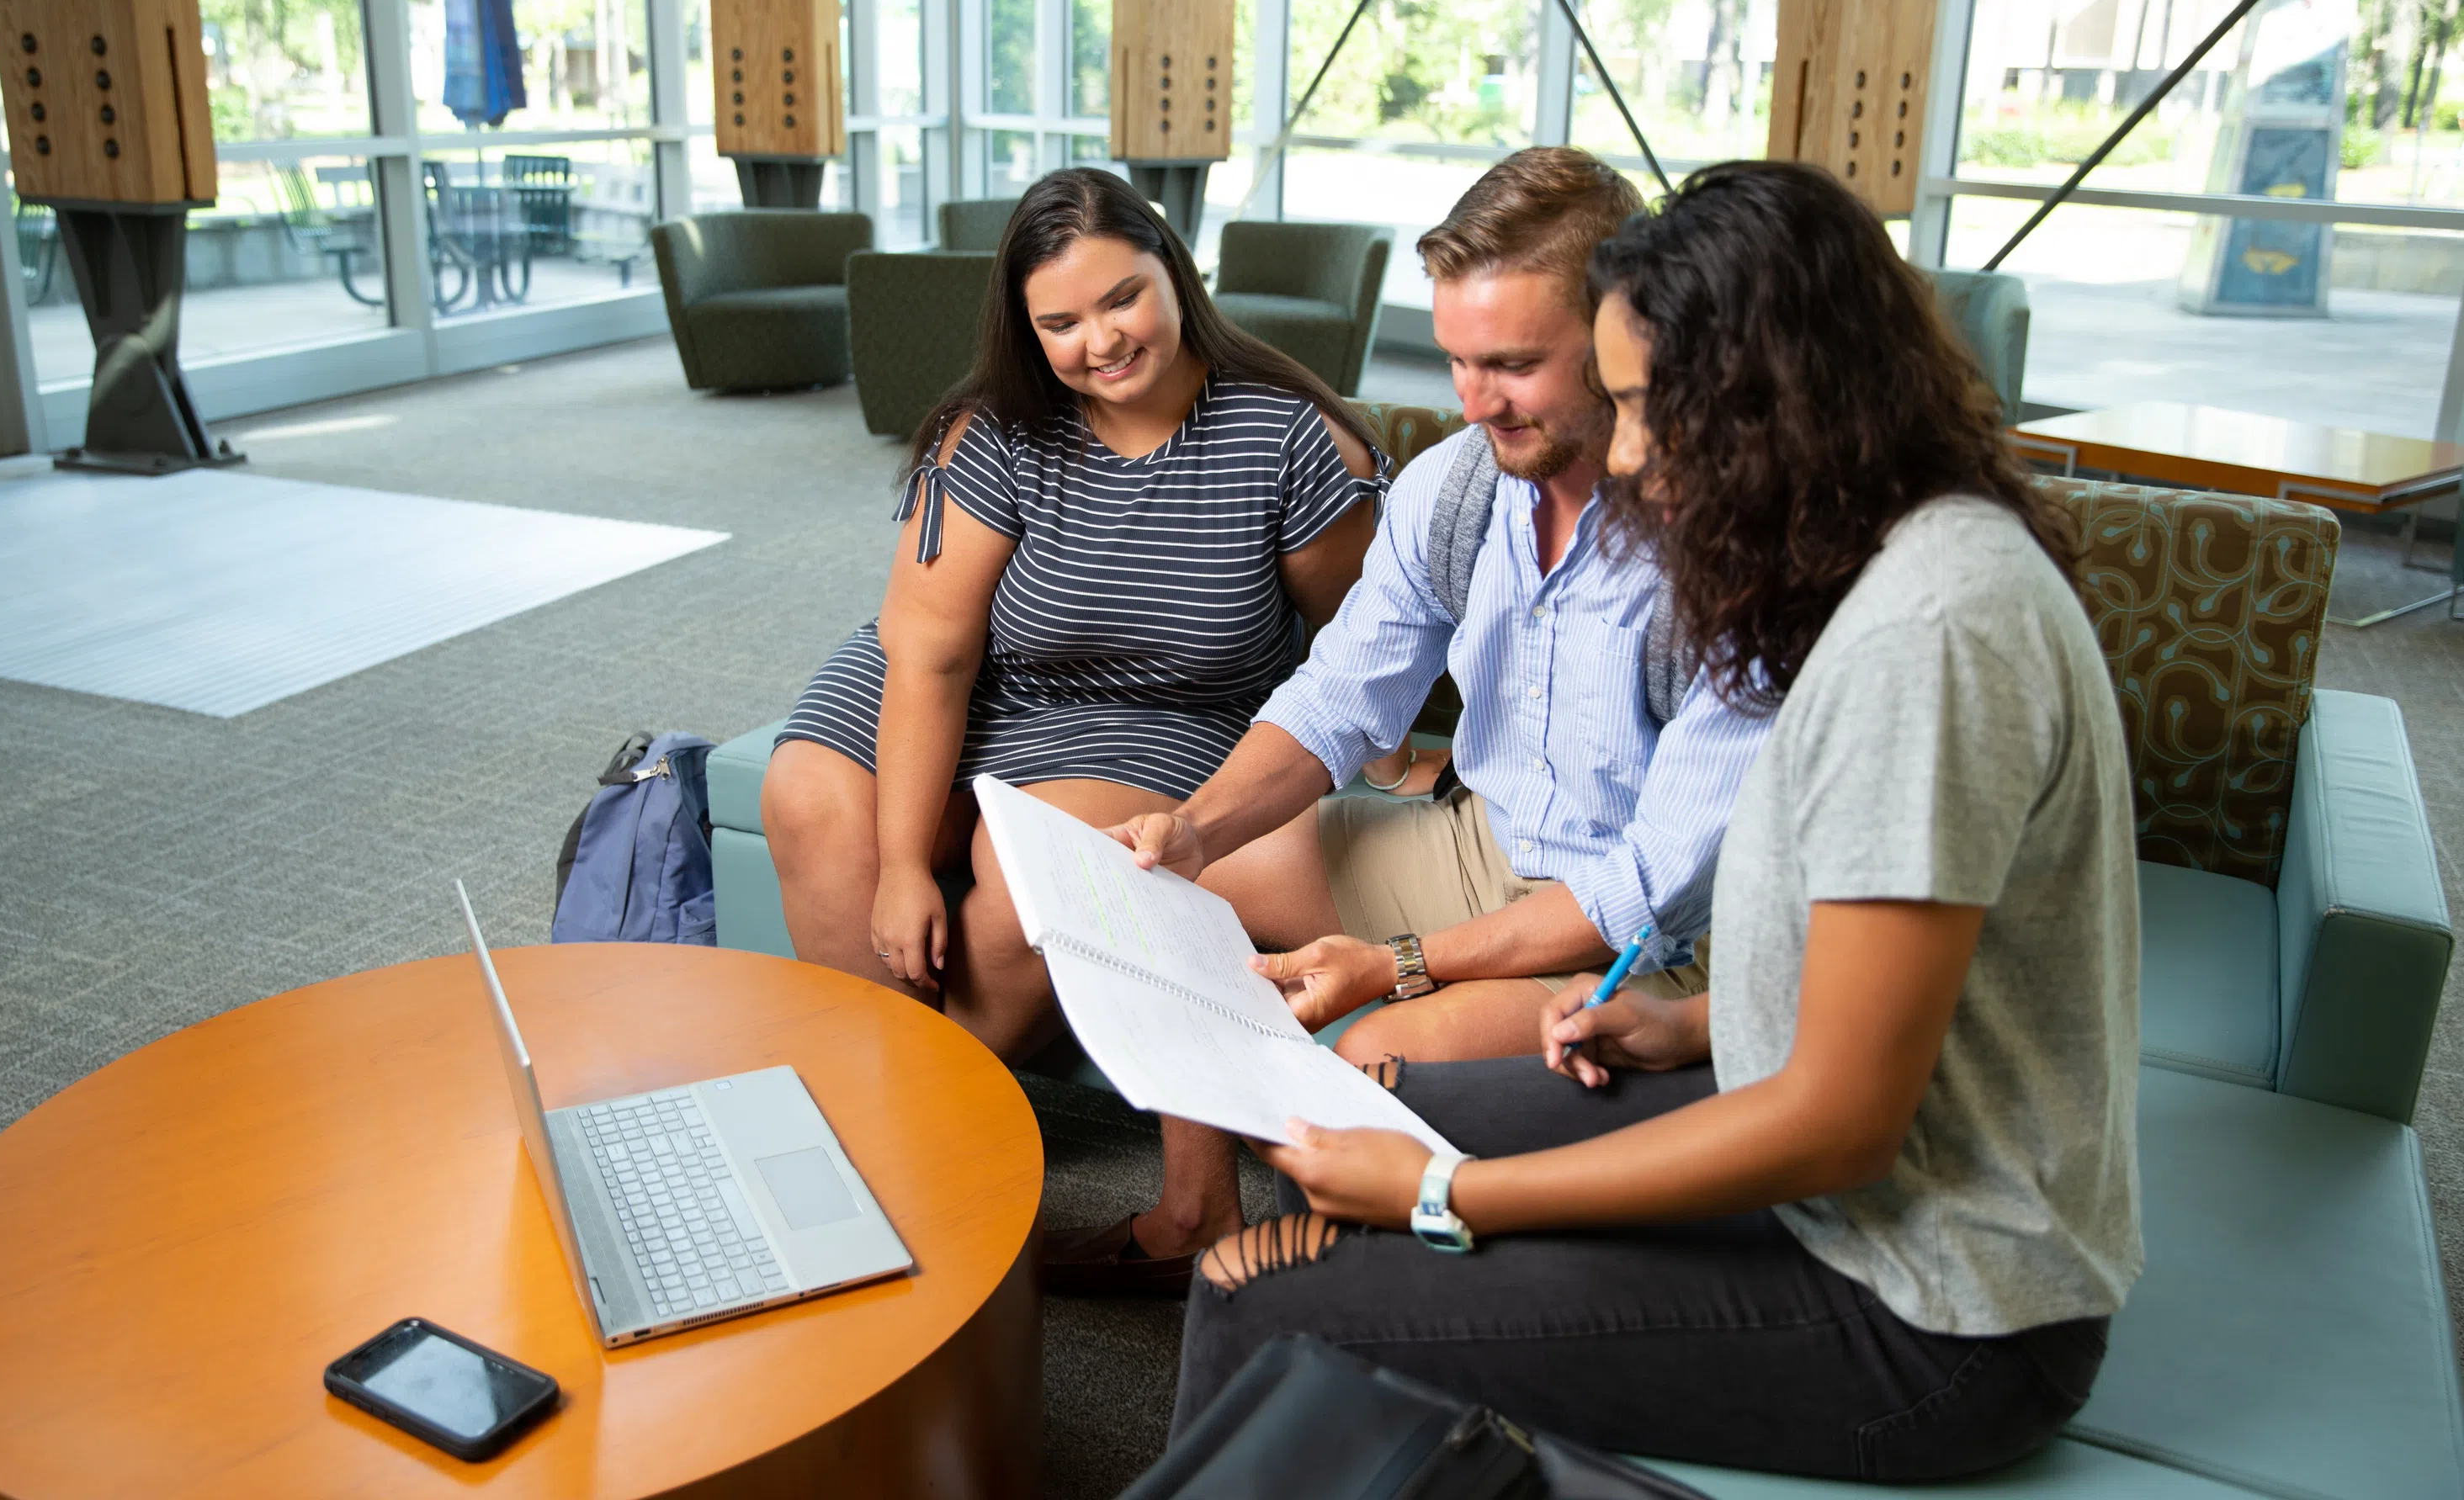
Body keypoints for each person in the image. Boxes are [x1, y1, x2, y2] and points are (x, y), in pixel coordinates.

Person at [1165, 160, 2143, 1483]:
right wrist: (1690, 1025)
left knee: (1254, 1290)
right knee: (1363, 1116)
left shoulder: (1927, 637)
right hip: (1836, 1176)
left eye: (1641, 408)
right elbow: (1868, 1009)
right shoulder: (1887, 562)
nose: (1624, 454)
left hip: (1934, 1306)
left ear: (1769, 402)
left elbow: (1840, 1121)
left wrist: (1457, 1196)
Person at [1056, 146, 1775, 1292]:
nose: (1472, 399)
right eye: (1454, 360)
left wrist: (1399, 966)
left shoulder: (1720, 540)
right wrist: (1197, 828)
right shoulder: (1463, 487)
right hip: (1482, 841)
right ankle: (1196, 1210)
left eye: (1512, 365)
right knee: (1170, 882)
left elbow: (1651, 889)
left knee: (1382, 1065)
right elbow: (1341, 698)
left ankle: (1374, 1321)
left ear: (1627, 338)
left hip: (1664, 947)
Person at [760, 167, 1386, 1068]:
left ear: (1173, 269)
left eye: (1122, 299)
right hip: (977, 675)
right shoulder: (998, 428)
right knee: (811, 796)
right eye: (1060, 324)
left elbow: (1360, 641)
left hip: (1163, 713)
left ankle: (935, 1098)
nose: (1102, 342)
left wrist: (1394, 757)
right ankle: (874, 1091)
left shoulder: (1289, 437)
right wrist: (900, 867)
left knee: (1026, 887)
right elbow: (933, 659)